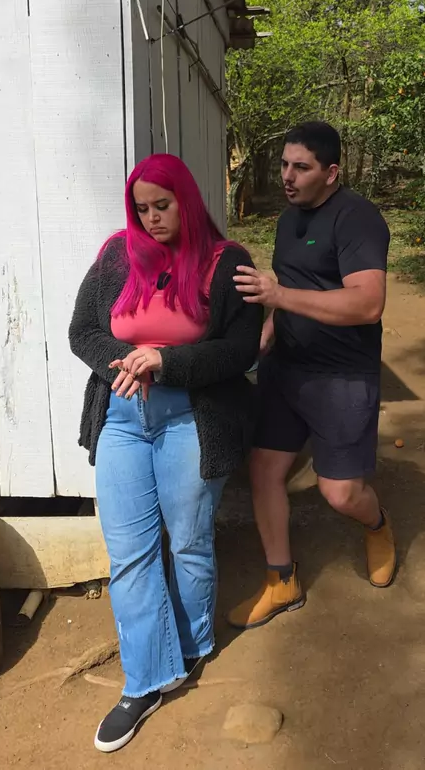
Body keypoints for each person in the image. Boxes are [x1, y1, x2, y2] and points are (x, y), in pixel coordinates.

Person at [69, 153, 262, 752]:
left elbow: (241, 350)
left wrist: (166, 361)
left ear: (187, 201)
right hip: (122, 420)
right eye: (141, 208)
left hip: (191, 420)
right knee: (129, 552)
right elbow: (83, 331)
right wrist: (122, 365)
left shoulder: (226, 262)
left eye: (162, 205)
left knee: (188, 542)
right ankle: (144, 681)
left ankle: (193, 643)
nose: (151, 218)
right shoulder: (115, 256)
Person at [227, 121, 396, 631]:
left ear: (332, 172)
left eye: (301, 167)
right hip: (286, 370)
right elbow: (297, 284)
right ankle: (282, 580)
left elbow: (368, 303)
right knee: (264, 469)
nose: (287, 176)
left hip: (341, 375)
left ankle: (377, 523)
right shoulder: (287, 219)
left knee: (340, 492)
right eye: (284, 164)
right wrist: (270, 331)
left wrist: (277, 296)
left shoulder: (358, 219)